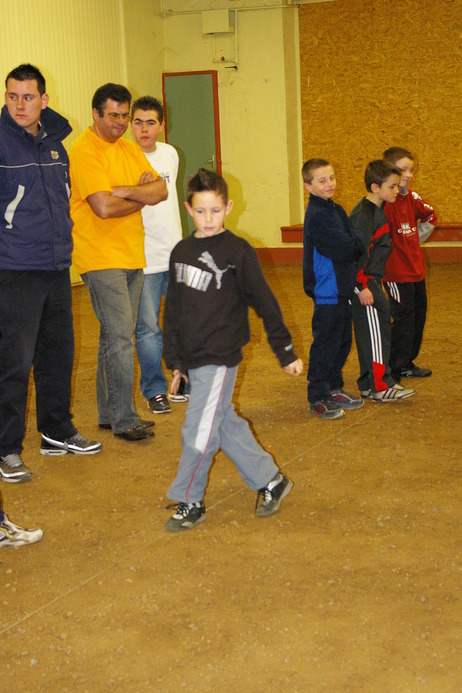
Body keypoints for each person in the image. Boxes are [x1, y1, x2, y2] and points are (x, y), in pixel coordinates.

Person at [163, 168, 303, 531]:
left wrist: (285, 350)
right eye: (200, 211)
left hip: (221, 357)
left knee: (198, 429)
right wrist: (175, 361)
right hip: (192, 359)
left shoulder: (237, 251)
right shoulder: (181, 251)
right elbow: (174, 311)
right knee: (221, 422)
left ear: (228, 207)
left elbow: (265, 302)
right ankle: (271, 480)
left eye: (215, 210)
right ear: (187, 209)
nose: (208, 219)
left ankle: (189, 500)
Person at [0, 63, 101, 485]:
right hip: (15, 270)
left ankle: (55, 431)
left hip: (58, 265)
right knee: (13, 364)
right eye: (12, 96)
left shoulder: (55, 143)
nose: (19, 105)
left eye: (28, 97)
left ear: (44, 99)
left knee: (57, 355)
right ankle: (5, 449)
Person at [69, 84, 168, 441]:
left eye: (124, 116)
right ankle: (125, 419)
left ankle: (108, 413)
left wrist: (125, 191)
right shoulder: (84, 151)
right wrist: (140, 198)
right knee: (122, 338)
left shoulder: (128, 148)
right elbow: (103, 207)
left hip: (131, 253)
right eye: (113, 115)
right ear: (95, 114)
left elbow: (161, 191)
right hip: (99, 256)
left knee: (113, 338)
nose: (121, 123)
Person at [131, 96, 187, 415]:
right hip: (144, 259)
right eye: (138, 122)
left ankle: (180, 381)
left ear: (161, 126)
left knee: (182, 322)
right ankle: (154, 390)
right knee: (148, 329)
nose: (144, 129)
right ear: (130, 125)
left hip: (174, 255)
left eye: (151, 122)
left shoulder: (169, 154)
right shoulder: (124, 157)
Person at [302, 158, 365, 420]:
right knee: (326, 344)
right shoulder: (317, 216)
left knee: (341, 342)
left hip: (342, 289)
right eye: (322, 180)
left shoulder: (335, 210)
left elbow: (356, 237)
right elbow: (347, 246)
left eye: (332, 177)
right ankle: (318, 395)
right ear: (308, 186)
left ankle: (333, 387)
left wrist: (354, 242)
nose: (330, 184)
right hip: (326, 291)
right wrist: (354, 242)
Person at [349, 160, 415, 402]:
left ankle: (368, 383)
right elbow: (356, 255)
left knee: (372, 334)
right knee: (377, 334)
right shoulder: (364, 216)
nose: (397, 191)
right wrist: (362, 286)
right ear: (375, 187)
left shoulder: (376, 212)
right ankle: (380, 385)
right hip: (366, 283)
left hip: (371, 281)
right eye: (392, 187)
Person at [382, 147, 437, 381]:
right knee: (403, 320)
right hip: (396, 273)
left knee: (417, 317)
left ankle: (406, 362)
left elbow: (430, 216)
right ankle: (392, 368)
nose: (408, 174)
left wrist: (413, 239)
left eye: (410, 170)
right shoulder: (384, 203)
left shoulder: (411, 198)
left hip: (416, 271)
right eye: (403, 169)